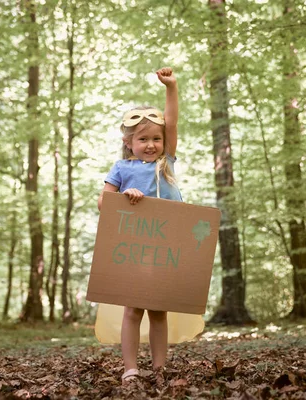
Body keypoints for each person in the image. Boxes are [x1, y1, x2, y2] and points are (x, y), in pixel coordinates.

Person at [96, 67, 204, 385]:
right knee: (133, 310)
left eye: (157, 138)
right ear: (129, 143)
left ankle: (159, 369)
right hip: (136, 248)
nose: (152, 144)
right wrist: (126, 195)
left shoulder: (165, 162)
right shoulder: (121, 168)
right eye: (143, 139)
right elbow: (105, 202)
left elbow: (172, 121)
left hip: (165, 248)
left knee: (158, 312)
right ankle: (130, 368)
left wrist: (171, 87)